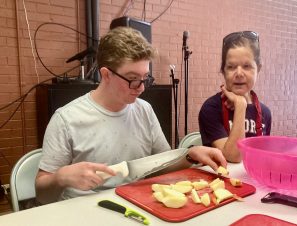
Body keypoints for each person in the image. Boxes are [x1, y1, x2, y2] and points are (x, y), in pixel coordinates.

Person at [35, 27, 226, 205]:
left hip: (137, 204)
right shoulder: (66, 119)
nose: (142, 88)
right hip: (84, 209)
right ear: (106, 74)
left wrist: (189, 155)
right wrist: (59, 178)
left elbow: (162, 165)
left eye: (145, 78)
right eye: (133, 79)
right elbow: (42, 194)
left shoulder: (144, 110)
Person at [199, 31, 272, 163]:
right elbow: (234, 156)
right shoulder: (211, 108)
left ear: (258, 69)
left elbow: (262, 159)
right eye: (231, 67)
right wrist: (240, 105)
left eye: (247, 66)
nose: (239, 73)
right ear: (223, 70)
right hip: (221, 181)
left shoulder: (265, 113)